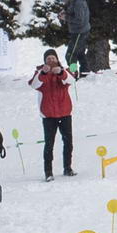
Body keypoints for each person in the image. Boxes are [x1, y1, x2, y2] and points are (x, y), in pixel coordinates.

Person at [29, 50, 77, 179]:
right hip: (48, 115)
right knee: (49, 144)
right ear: (45, 61)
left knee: (68, 142)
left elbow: (71, 80)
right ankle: (48, 172)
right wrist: (43, 73)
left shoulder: (64, 70)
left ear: (57, 59)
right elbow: (34, 85)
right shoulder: (39, 72)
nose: (51, 60)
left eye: (53, 58)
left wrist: (61, 72)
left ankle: (68, 168)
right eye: (48, 58)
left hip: (65, 113)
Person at [60, 0, 91, 70]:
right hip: (80, 31)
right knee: (80, 53)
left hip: (79, 32)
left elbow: (79, 20)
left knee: (70, 55)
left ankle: (73, 72)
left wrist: (66, 17)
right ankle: (85, 72)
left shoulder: (78, 3)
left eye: (63, 0)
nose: (63, 3)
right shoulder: (75, 1)